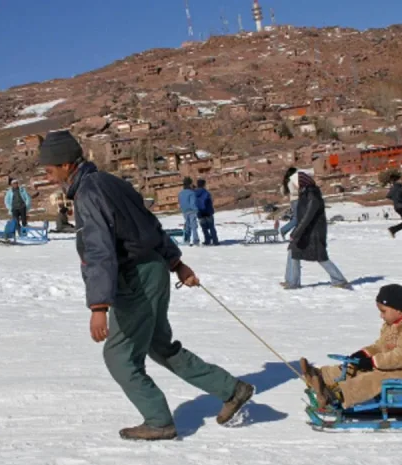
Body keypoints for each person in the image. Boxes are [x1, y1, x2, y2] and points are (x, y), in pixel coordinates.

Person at [38, 130, 254, 441]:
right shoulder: (111, 182)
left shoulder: (88, 193)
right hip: (154, 270)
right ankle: (231, 389)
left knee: (120, 356)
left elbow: (99, 251)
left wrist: (99, 306)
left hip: (135, 278)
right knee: (159, 345)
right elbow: (150, 225)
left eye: (49, 170)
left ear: (66, 165)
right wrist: (175, 263)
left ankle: (158, 420)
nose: (48, 177)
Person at [300, 284, 402, 409]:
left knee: (373, 378)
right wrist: (364, 354)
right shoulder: (393, 324)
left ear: (398, 310)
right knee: (354, 366)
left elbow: (400, 358)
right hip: (396, 364)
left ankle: (334, 395)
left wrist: (372, 362)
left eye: (383, 311)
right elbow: (381, 346)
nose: (381, 315)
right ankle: (320, 376)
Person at [284, 172, 350, 290]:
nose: (294, 186)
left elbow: (308, 216)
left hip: (314, 232)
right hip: (306, 231)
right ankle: (292, 282)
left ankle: (339, 280)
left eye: (295, 183)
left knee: (321, 257)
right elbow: (302, 216)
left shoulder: (313, 195)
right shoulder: (305, 194)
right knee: (293, 251)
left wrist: (296, 232)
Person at [194, 178, 219, 245]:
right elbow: (209, 202)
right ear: (204, 184)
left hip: (200, 213)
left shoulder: (194, 193)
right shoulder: (206, 192)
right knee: (211, 227)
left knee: (204, 228)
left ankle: (207, 240)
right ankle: (215, 241)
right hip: (208, 212)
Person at [178, 177, 200, 246]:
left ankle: (187, 240)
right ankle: (195, 241)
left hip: (184, 211)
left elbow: (180, 202)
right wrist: (196, 210)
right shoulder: (191, 193)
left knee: (187, 226)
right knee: (194, 226)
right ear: (189, 184)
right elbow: (192, 203)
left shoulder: (180, 193)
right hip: (191, 211)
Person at [279, 167, 299, 238]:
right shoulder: (291, 181)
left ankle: (295, 235)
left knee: (301, 219)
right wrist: (301, 191)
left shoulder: (290, 181)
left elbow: (282, 190)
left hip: (295, 201)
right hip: (296, 201)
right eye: (296, 172)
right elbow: (293, 192)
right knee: (297, 219)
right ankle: (283, 230)